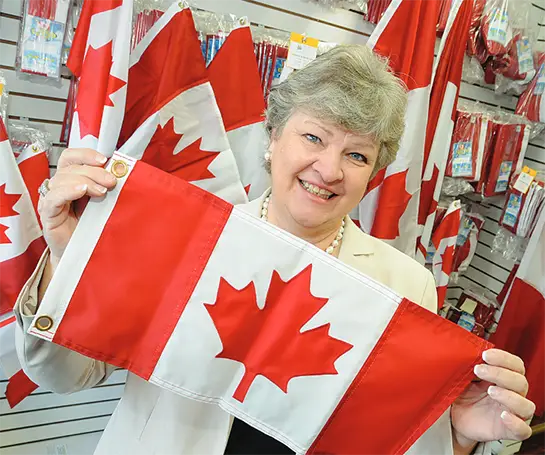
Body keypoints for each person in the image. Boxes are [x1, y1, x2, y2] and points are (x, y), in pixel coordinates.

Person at [14, 45, 534, 455]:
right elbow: (62, 376)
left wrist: (459, 437)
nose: (329, 170)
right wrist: (68, 259)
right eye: (313, 137)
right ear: (272, 137)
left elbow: (388, 436)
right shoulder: (187, 241)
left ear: (373, 176)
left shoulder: (406, 283)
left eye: (356, 154)